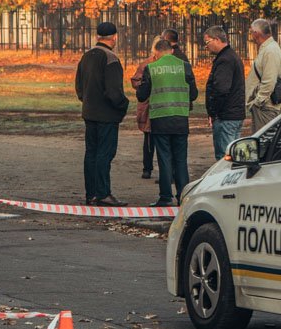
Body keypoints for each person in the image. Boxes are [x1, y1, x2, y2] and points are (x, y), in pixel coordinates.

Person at [136, 38, 198, 207]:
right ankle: (183, 196)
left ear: (155, 53)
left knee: (164, 158)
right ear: (171, 51)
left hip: (160, 118)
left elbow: (141, 95)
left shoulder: (151, 68)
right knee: (180, 159)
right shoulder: (184, 66)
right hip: (180, 118)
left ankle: (165, 197)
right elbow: (193, 94)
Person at [75, 21, 130, 207]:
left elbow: (79, 87)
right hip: (107, 115)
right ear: (114, 37)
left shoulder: (86, 57)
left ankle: (91, 194)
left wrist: (88, 101)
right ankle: (103, 193)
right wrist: (123, 106)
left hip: (89, 112)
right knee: (105, 154)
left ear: (97, 36)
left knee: (91, 153)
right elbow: (114, 92)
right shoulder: (111, 59)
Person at [203, 25, 246, 160]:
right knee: (233, 155)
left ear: (216, 39)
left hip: (226, 116)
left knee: (225, 157)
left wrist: (214, 112)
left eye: (207, 42)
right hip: (234, 113)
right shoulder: (231, 56)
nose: (206, 46)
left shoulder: (225, 60)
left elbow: (221, 89)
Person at [245, 18, 281, 132]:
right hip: (263, 107)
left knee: (263, 144)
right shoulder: (268, 48)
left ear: (256, 33)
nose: (251, 35)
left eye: (251, 32)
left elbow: (269, 81)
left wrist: (257, 102)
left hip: (265, 108)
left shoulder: (270, 50)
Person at [130, 47, 160, 179]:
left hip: (157, 105)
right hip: (148, 105)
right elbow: (135, 80)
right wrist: (145, 85)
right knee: (149, 139)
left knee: (159, 140)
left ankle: (159, 169)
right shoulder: (146, 64)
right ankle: (147, 168)